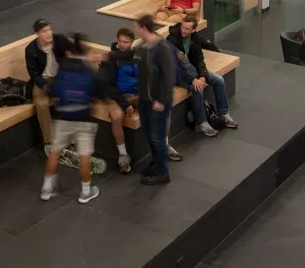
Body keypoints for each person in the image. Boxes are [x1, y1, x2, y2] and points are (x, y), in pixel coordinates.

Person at [40, 35, 107, 204]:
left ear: (69, 52)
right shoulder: (88, 71)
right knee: (84, 156)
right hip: (84, 118)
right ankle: (85, 192)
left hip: (62, 118)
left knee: (55, 152)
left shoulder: (61, 70)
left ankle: (46, 189)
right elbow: (99, 93)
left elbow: (52, 91)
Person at [166, 15, 238, 135]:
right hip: (177, 75)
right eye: (183, 27)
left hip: (192, 70)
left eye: (187, 29)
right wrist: (193, 80)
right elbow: (175, 68)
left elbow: (199, 59)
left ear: (193, 30)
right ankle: (201, 123)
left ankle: (224, 114)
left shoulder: (194, 38)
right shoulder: (171, 41)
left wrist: (203, 76)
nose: (184, 30)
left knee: (219, 80)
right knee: (197, 88)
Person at [135, 14, 175, 186]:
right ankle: (156, 162)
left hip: (157, 101)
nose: (135, 30)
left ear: (143, 27)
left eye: (136, 27)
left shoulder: (162, 48)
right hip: (145, 99)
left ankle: (162, 172)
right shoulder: (144, 47)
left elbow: (169, 77)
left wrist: (163, 100)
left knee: (157, 137)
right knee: (149, 134)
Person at [25, 18, 71, 151]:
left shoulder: (60, 40)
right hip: (43, 81)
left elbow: (74, 54)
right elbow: (34, 74)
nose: (48, 33)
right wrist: (47, 87)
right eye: (44, 31)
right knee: (41, 104)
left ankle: (69, 138)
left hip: (61, 78)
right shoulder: (31, 50)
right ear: (37, 33)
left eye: (49, 29)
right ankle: (50, 141)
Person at [102, 27, 140, 174]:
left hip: (136, 94)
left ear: (132, 42)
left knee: (158, 107)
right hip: (116, 96)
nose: (123, 45)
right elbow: (110, 86)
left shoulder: (136, 55)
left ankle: (163, 144)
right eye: (121, 41)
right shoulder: (110, 58)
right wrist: (124, 104)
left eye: (127, 42)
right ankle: (123, 154)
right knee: (117, 117)